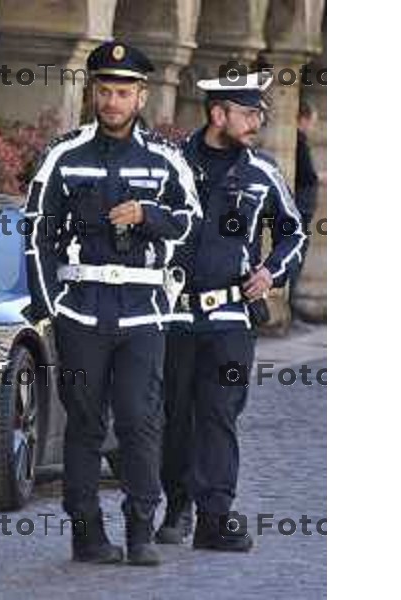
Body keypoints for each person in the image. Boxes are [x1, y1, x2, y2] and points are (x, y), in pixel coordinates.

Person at [24, 40, 201, 566]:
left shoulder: (165, 160)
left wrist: (148, 214)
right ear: (92, 92)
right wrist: (50, 305)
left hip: (143, 314)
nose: (112, 101)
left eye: (123, 92)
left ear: (141, 96)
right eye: (104, 90)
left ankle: (142, 531)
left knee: (140, 421)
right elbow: (37, 233)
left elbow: (191, 223)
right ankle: (88, 536)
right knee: (83, 425)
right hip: (80, 313)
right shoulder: (64, 154)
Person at [155, 72, 307, 551]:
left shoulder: (261, 171)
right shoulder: (169, 165)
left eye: (260, 115)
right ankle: (177, 505)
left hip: (230, 321)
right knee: (174, 418)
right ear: (218, 113)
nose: (256, 124)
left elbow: (293, 232)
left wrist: (272, 272)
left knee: (219, 415)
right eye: (248, 113)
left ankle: (214, 517)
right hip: (174, 317)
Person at [290, 98, 320, 304]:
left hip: (303, 210)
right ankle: (287, 305)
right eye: (312, 121)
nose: (313, 126)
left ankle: (290, 305)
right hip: (298, 209)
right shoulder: (297, 141)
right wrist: (321, 177)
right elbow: (305, 175)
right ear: (303, 119)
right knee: (294, 258)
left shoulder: (300, 141)